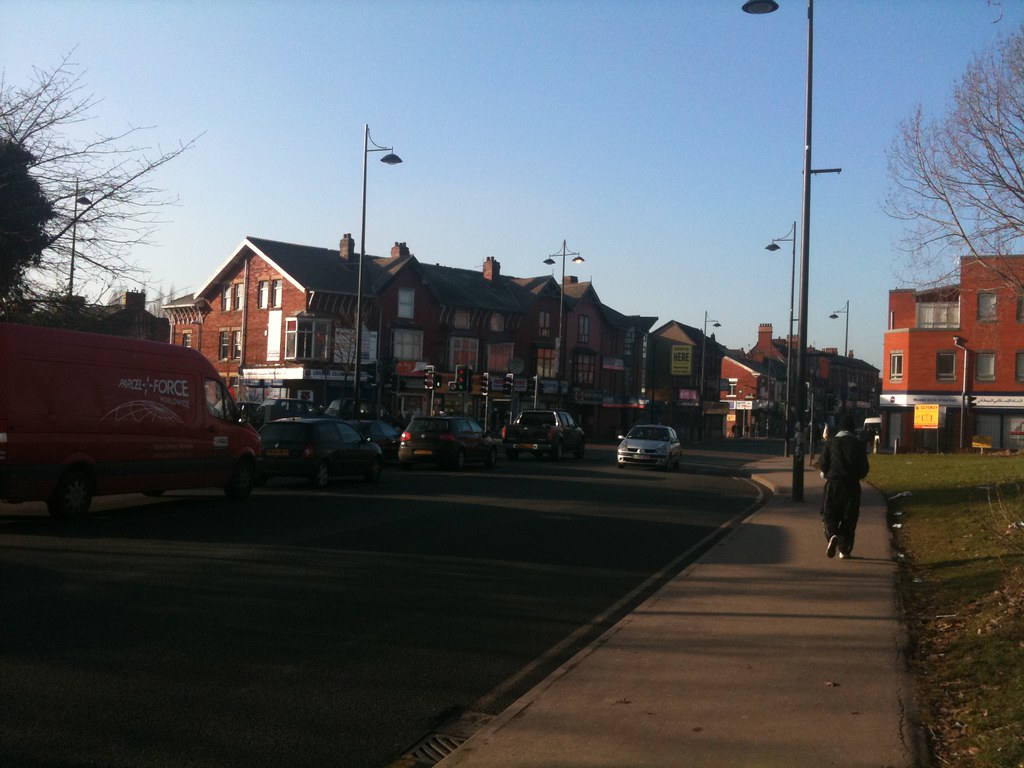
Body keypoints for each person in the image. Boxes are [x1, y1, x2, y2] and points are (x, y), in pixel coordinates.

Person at [817, 412, 869, 559]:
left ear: (839, 428)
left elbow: (823, 464)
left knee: (829, 513)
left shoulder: (830, 443)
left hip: (833, 484)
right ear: (853, 429)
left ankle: (832, 534)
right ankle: (844, 550)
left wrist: (827, 474)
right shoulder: (859, 445)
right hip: (852, 485)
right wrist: (857, 476)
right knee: (850, 517)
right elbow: (864, 468)